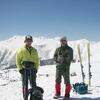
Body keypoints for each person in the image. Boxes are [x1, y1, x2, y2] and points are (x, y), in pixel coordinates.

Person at [16, 35, 39, 100]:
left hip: (32, 70)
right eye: (27, 40)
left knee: (33, 85)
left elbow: (37, 60)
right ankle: (25, 98)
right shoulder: (21, 50)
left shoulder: (34, 50)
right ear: (25, 41)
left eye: (30, 40)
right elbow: (17, 60)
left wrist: (36, 68)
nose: (29, 42)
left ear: (32, 41)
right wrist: (20, 69)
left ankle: (33, 98)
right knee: (25, 85)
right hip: (24, 70)